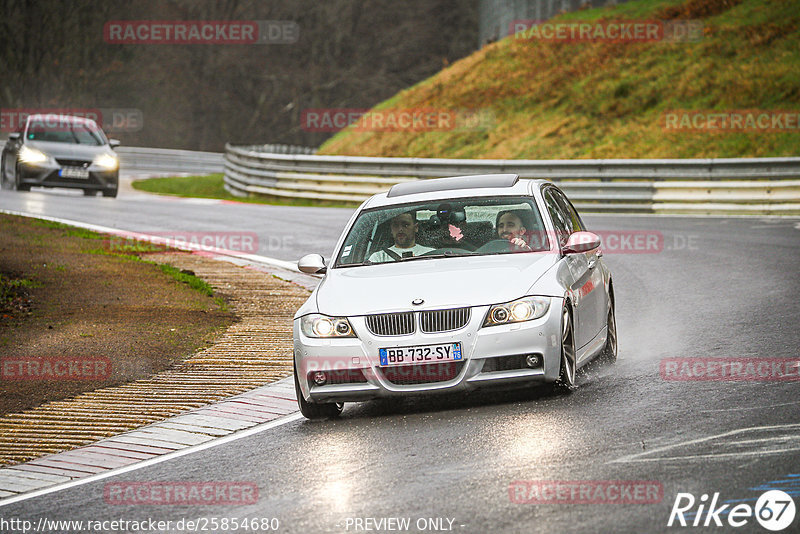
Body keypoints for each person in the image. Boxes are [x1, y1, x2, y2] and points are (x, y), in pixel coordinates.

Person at [368, 211, 435, 263]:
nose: (400, 229)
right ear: (391, 229)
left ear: (416, 228)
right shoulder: (378, 258)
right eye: (396, 225)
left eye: (405, 225)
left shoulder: (431, 254)